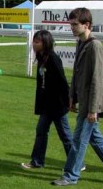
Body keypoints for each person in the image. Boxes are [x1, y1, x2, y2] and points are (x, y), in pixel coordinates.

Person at [51, 8, 103, 186]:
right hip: (84, 100)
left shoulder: (95, 46)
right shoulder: (81, 42)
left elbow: (97, 80)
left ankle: (70, 176)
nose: (71, 27)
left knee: (78, 140)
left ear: (86, 25)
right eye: (70, 24)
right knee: (95, 137)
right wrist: (71, 97)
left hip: (91, 103)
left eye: (74, 24)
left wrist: (93, 110)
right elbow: (77, 74)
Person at [21, 30, 76, 170]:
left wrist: (70, 101)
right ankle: (37, 161)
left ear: (45, 43)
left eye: (37, 42)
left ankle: (76, 163)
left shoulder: (53, 59)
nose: (34, 44)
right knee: (41, 131)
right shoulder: (41, 58)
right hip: (47, 105)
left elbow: (63, 83)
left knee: (65, 135)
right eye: (34, 41)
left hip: (58, 105)